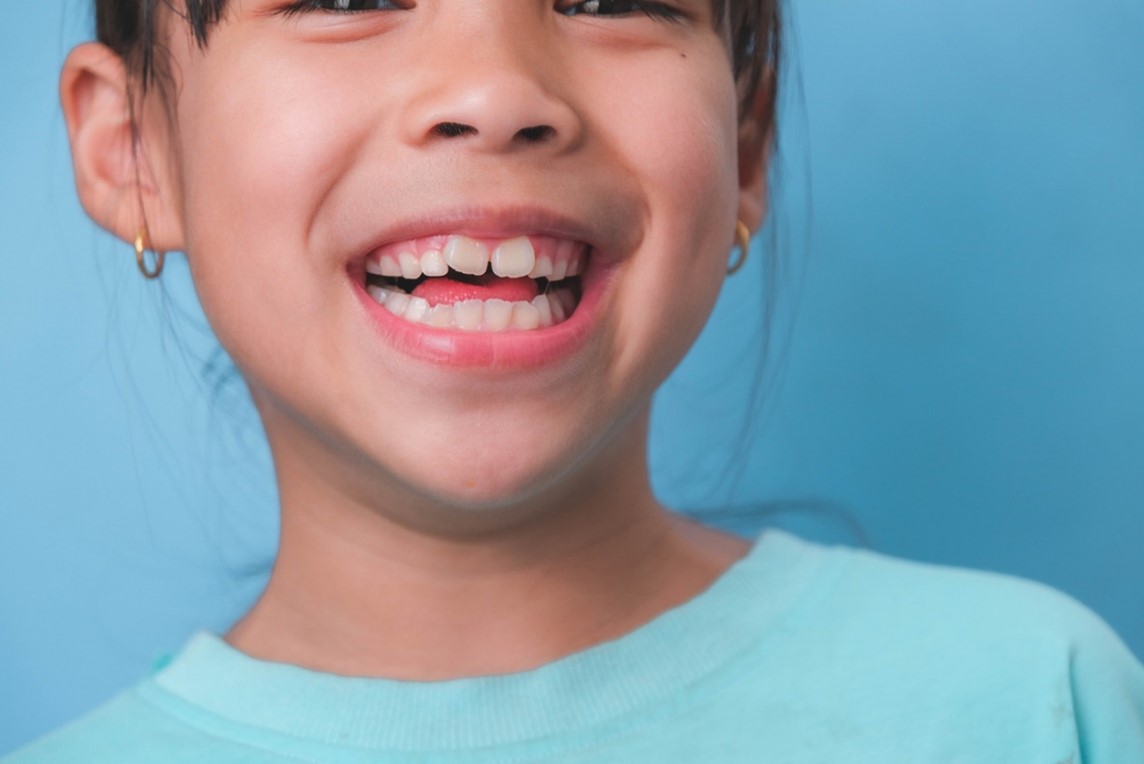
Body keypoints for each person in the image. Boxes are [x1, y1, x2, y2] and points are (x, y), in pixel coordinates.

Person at [5, 0, 1143, 760]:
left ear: (745, 146)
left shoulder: (1033, 701)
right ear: (134, 150)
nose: (495, 93)